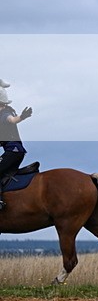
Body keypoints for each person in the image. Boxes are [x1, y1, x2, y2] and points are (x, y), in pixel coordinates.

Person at [0, 79, 33, 210]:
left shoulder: (4, 114)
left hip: (12, 152)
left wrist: (22, 117)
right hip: (16, 152)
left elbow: (12, 120)